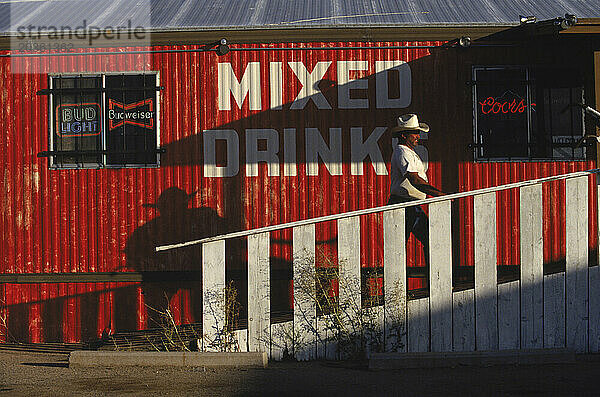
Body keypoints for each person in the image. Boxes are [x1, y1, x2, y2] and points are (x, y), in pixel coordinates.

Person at [388, 114, 446, 265]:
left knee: (424, 240)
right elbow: (414, 180)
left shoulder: (408, 152)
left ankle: (430, 281)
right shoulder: (403, 151)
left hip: (411, 204)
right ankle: (401, 285)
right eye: (414, 133)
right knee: (399, 247)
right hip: (402, 204)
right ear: (404, 135)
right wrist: (440, 195)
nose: (418, 136)